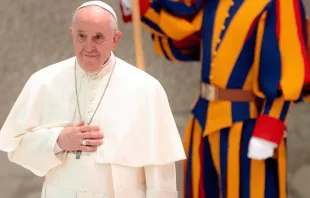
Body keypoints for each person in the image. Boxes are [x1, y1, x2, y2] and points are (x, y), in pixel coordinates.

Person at [120, 0, 310, 197]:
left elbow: (289, 62)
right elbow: (185, 37)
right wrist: (141, 6)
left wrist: (271, 124)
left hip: (247, 124)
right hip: (202, 119)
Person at [0, 1, 186, 197]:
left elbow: (161, 172)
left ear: (115, 39)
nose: (88, 47)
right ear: (72, 34)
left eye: (98, 38)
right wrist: (57, 141)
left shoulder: (147, 88)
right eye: (81, 36)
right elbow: (15, 147)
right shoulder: (43, 81)